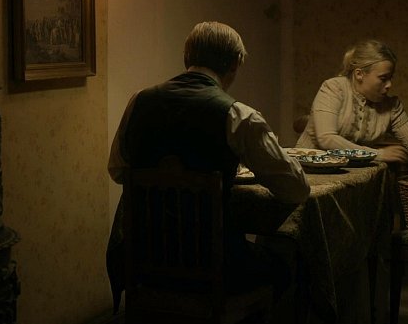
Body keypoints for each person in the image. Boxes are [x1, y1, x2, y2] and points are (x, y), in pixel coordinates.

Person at [106, 21, 310, 312]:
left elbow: (117, 170)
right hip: (212, 266)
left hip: (140, 259)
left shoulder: (139, 101)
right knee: (286, 259)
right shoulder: (238, 115)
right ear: (235, 64)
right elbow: (295, 190)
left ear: (186, 57)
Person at [295, 39, 408, 190]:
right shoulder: (334, 89)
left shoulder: (391, 106)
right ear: (359, 74)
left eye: (391, 78)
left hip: (350, 181)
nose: (389, 85)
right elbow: (326, 138)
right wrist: (378, 154)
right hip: (308, 178)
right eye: (383, 78)